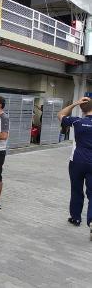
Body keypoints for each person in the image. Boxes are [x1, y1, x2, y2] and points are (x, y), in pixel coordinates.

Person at [57, 97, 92, 240]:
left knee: (76, 190)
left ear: (82, 110)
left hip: (77, 161)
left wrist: (75, 103)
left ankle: (76, 218)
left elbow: (60, 114)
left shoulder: (77, 121)